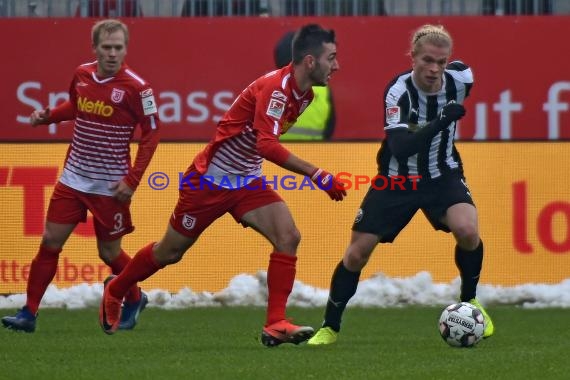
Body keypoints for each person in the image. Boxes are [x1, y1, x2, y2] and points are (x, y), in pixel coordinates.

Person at [99, 24, 345, 346]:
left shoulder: (306, 95)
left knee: (288, 236)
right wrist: (317, 173)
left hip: (247, 181)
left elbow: (257, 148)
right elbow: (266, 145)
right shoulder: (276, 88)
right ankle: (116, 289)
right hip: (209, 181)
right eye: (332, 57)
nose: (337, 65)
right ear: (310, 61)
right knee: (170, 252)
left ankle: (275, 323)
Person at [307, 24, 495, 346]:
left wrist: (446, 116)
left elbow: (463, 71)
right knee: (356, 254)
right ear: (412, 58)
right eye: (427, 60)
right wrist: (443, 120)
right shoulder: (398, 91)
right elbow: (401, 147)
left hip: (442, 175)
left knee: (468, 230)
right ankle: (329, 327)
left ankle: (470, 302)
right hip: (396, 180)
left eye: (441, 61)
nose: (434, 69)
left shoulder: (461, 80)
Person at [1, 19, 160, 333]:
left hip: (110, 186)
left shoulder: (137, 88)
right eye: (107, 47)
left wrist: (132, 180)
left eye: (119, 47)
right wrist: (49, 116)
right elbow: (76, 106)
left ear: (126, 48)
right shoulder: (82, 74)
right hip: (74, 178)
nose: (113, 53)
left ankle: (135, 295)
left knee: (108, 252)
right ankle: (28, 314)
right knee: (50, 241)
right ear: (95, 48)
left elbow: (152, 133)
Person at [273, 30, 335, 141]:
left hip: (277, 154)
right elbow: (330, 127)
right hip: (313, 153)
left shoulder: (269, 85)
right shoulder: (322, 88)